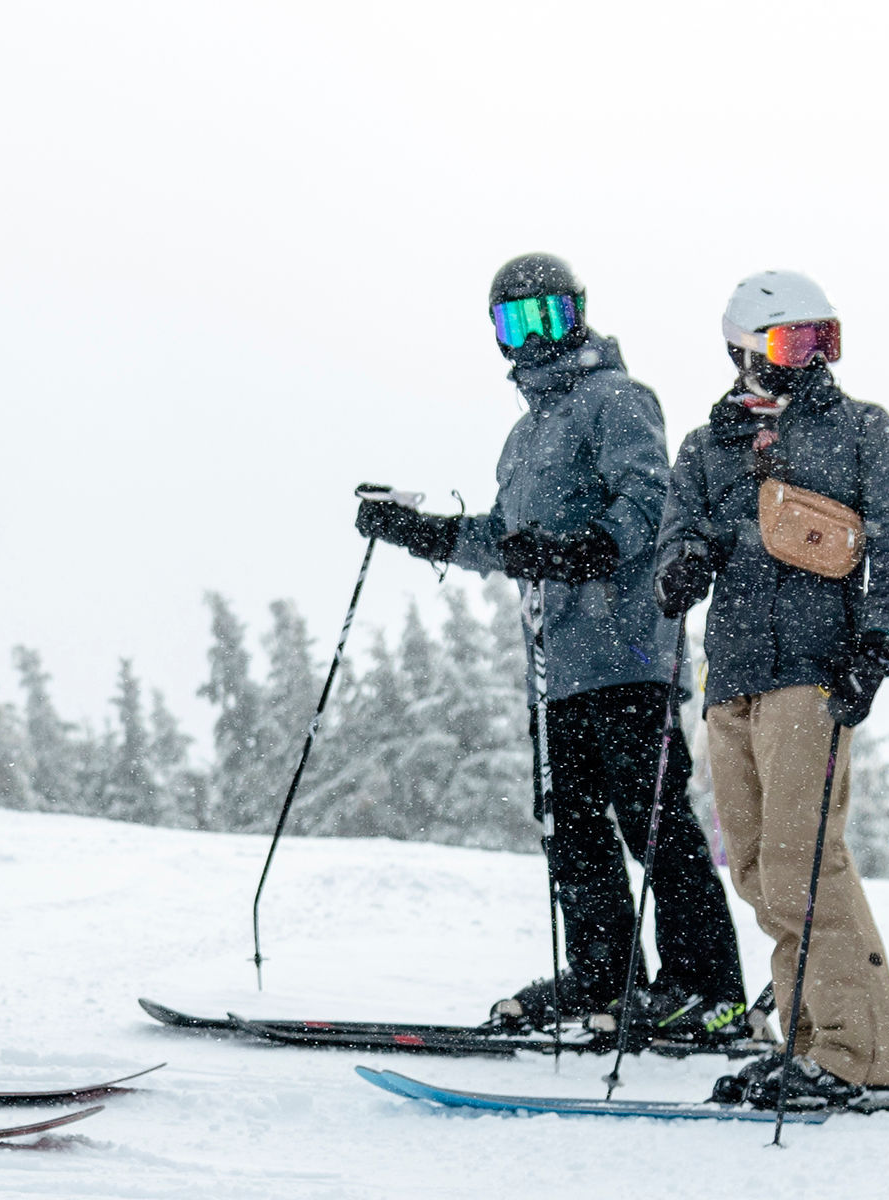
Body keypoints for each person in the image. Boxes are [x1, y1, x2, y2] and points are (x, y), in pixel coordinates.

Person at [355, 253, 747, 1044]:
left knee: (651, 817)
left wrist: (590, 549)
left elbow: (648, 496)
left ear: (580, 315)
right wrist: (420, 533)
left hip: (631, 652)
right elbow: (506, 540)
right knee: (570, 826)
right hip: (557, 668)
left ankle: (708, 989)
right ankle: (603, 977)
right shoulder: (523, 436)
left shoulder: (617, 399)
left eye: (551, 317)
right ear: (499, 337)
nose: (536, 338)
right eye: (517, 322)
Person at [656, 270, 889, 1112]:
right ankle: (811, 1041)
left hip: (813, 673)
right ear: (742, 350)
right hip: (730, 678)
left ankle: (863, 1057)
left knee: (803, 865)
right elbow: (670, 562)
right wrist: (688, 563)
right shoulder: (709, 448)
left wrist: (877, 647)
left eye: (822, 340)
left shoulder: (859, 430)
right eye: (788, 343)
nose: (808, 359)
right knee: (759, 876)